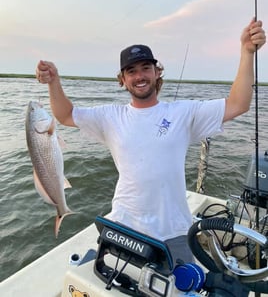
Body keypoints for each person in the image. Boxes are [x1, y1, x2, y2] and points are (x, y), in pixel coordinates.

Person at [36, 18, 266, 266]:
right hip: (124, 225)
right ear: (122, 80)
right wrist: (53, 82)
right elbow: (66, 115)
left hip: (174, 229)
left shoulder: (183, 112)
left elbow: (237, 104)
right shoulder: (111, 117)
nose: (140, 76)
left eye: (146, 68)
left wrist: (246, 52)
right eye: (131, 71)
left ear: (157, 73)